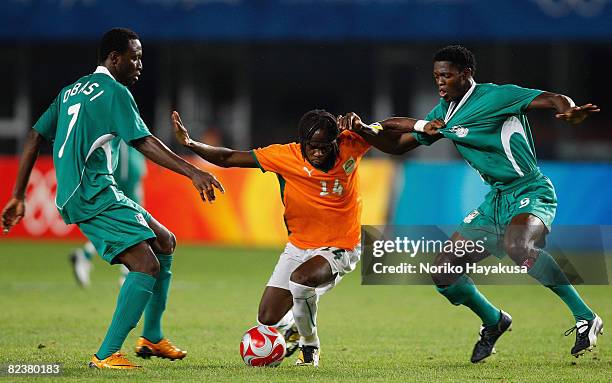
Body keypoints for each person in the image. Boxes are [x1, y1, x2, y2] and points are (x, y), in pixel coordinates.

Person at [339, 45, 602, 363]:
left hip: (529, 189)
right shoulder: (444, 113)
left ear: (466, 75)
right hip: (495, 200)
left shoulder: (496, 97)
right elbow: (397, 147)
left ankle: (585, 317)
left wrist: (569, 110)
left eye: (446, 75)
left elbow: (552, 98)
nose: (440, 82)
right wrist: (364, 131)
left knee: (519, 246)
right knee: (443, 272)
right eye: (437, 76)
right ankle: (494, 321)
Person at [0, 28, 224, 369]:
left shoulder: (70, 91)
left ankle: (150, 337)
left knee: (165, 242)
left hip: (94, 190)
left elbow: (34, 135)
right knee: (145, 265)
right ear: (114, 58)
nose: (139, 65)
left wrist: (18, 195)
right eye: (134, 58)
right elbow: (143, 141)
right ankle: (105, 355)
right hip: (92, 193)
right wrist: (193, 171)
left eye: (142, 58)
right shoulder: (113, 91)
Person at [172, 109, 370, 367]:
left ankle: (309, 347)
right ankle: (293, 326)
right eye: (313, 147)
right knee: (267, 319)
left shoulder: (351, 143)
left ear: (336, 141)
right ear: (302, 144)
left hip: (342, 243)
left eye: (324, 147)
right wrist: (189, 143)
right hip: (299, 245)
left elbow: (392, 134)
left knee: (301, 281)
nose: (319, 153)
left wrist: (421, 128)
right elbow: (229, 157)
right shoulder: (283, 155)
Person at [70, 142, 145, 287]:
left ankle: (85, 256)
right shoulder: (129, 124)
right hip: (125, 176)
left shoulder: (114, 126)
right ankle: (127, 274)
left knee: (118, 227)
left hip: (113, 174)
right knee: (134, 226)